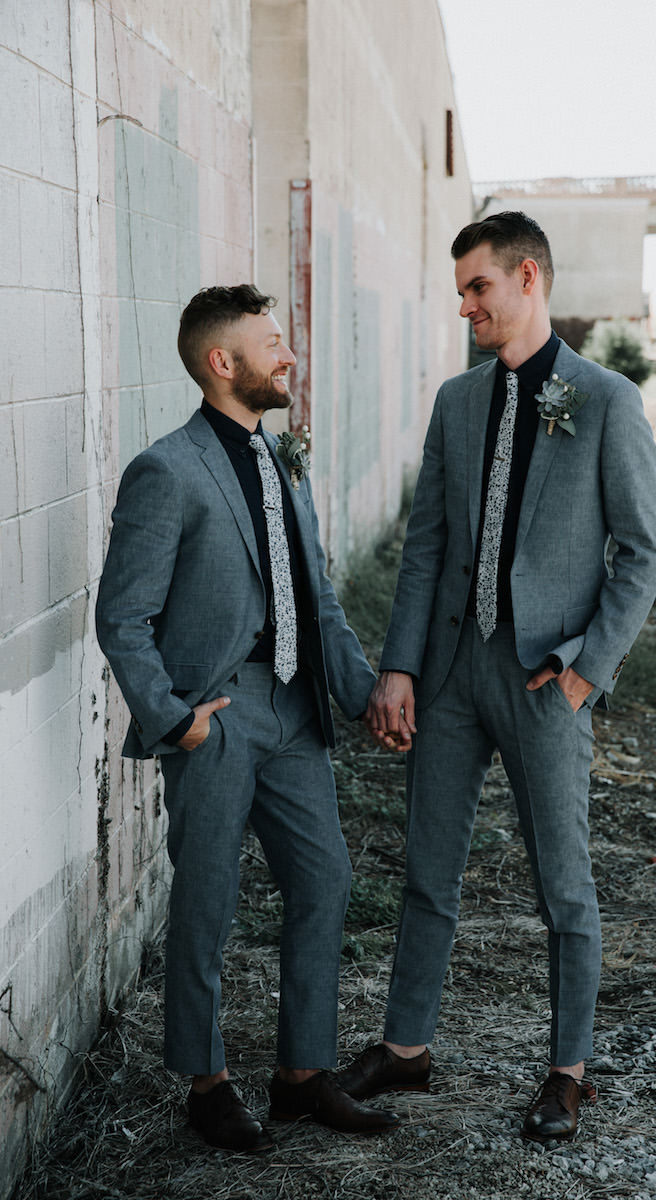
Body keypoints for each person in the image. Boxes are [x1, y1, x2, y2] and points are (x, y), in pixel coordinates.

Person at [338, 212, 656, 1143]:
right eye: (460, 293)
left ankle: (567, 1071)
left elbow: (641, 557)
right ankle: (406, 1049)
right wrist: (400, 666)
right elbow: (426, 546)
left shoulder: (606, 400)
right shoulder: (457, 402)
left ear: (527, 278)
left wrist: (583, 673)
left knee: (563, 883)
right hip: (451, 672)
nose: (466, 307)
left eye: (476, 288)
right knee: (426, 867)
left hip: (543, 679)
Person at [96, 284, 400, 1152]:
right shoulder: (167, 469)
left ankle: (302, 1077)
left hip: (296, 713)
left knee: (326, 880)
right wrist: (178, 719)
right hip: (219, 719)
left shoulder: (281, 459)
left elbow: (319, 594)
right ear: (221, 363)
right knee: (208, 899)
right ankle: (207, 1081)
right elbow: (122, 615)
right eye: (273, 344)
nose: (289, 356)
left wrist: (364, 690)